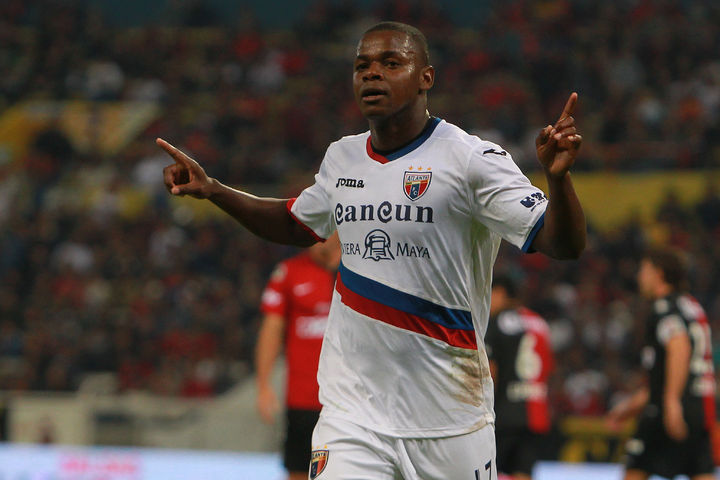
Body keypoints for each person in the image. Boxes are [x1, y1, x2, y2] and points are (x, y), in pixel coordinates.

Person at [157, 21, 585, 480]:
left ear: (426, 78)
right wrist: (214, 190)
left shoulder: (471, 160)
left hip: (451, 421)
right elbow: (294, 223)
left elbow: (563, 244)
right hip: (353, 417)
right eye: (362, 66)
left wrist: (557, 180)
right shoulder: (343, 157)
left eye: (391, 63)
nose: (372, 74)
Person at [606, 247, 716, 480]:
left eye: (644, 270)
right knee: (701, 471)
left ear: (659, 273)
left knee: (635, 470)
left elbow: (679, 346)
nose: (639, 277)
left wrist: (672, 401)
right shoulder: (692, 306)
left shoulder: (664, 308)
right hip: (699, 406)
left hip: (667, 410)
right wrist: (628, 409)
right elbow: (663, 377)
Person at [255, 234, 340, 480]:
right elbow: (271, 330)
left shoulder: (360, 272)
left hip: (349, 402)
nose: (319, 236)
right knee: (299, 472)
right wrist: (263, 385)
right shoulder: (289, 272)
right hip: (303, 401)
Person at [485, 275, 554, 480]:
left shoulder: (497, 322)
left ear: (501, 293)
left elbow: (490, 372)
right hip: (536, 414)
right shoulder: (540, 323)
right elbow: (549, 369)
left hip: (504, 414)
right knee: (523, 472)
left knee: (489, 471)